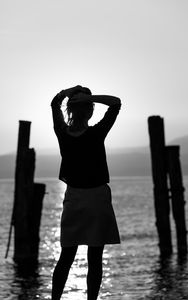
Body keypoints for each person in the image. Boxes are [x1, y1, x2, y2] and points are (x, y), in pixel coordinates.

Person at [50, 85, 121, 300]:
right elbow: (116, 102)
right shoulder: (97, 133)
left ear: (70, 110)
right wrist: (90, 97)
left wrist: (71, 93)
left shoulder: (63, 133)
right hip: (97, 198)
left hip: (75, 198)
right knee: (95, 257)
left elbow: (54, 103)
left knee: (67, 255)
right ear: (90, 110)